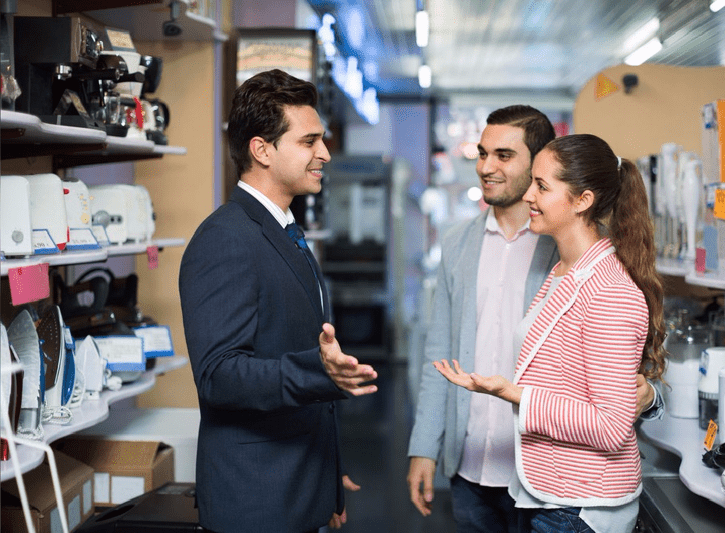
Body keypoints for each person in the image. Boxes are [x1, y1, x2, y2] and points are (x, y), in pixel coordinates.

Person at [406, 107, 662, 533]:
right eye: (482, 154)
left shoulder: (564, 252)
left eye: (504, 155)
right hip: (482, 466)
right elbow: (440, 356)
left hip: (555, 483)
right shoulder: (467, 248)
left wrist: (650, 393)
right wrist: (424, 447)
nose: (487, 167)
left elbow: (615, 384)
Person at [179, 69, 378, 533]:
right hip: (257, 503)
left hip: (299, 489)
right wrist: (318, 371)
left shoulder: (284, 229)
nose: (325, 153)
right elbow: (218, 374)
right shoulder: (224, 239)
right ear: (262, 149)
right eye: (309, 142)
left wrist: (327, 477)